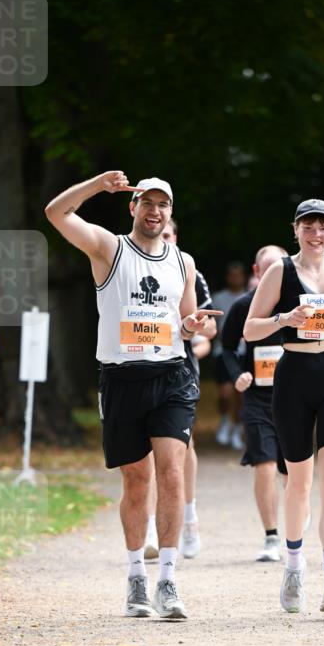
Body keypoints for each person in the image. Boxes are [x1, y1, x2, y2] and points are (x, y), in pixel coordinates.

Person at [45, 172, 215, 620]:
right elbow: (56, 212)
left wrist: (192, 326)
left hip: (172, 377)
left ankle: (169, 581)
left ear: (171, 212)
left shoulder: (184, 262)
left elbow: (184, 320)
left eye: (163, 204)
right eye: (147, 203)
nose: (155, 211)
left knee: (173, 473)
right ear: (133, 207)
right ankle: (136, 575)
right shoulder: (109, 248)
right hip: (121, 379)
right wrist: (97, 185)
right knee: (137, 481)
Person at [244, 199, 324, 614]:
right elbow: (251, 328)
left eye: (323, 226)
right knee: (298, 482)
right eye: (308, 226)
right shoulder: (279, 271)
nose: (316, 234)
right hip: (294, 377)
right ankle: (295, 566)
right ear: (295, 230)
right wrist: (285, 319)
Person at [143, 217, 216, 560]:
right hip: (143, 365)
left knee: (181, 447)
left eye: (171, 234)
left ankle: (189, 515)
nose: (166, 238)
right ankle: (149, 525)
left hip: (181, 368)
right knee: (144, 448)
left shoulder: (188, 269)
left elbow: (210, 327)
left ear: (176, 236)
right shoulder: (137, 265)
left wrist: (193, 330)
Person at [222, 244, 289, 562]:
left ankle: (294, 535)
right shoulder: (243, 306)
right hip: (257, 399)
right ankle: (271, 537)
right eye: (267, 268)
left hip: (294, 399)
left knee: (292, 472)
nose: (273, 273)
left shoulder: (300, 304)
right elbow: (226, 346)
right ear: (257, 272)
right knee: (264, 466)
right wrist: (238, 374)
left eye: (280, 267)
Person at [211, 261, 248, 449]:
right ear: (227, 278)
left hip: (244, 352)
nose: (235, 278)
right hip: (223, 351)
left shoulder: (250, 296)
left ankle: (237, 429)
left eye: (238, 274)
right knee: (225, 393)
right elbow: (211, 325)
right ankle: (225, 420)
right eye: (232, 275)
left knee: (240, 394)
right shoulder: (218, 298)